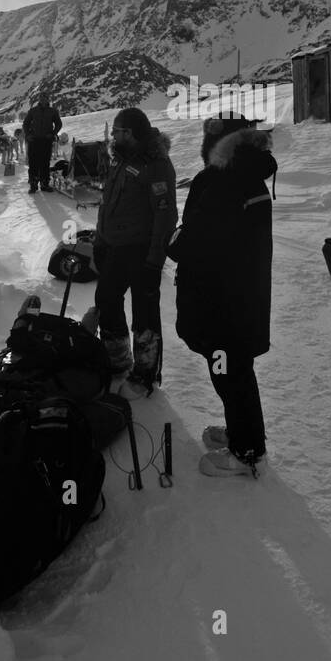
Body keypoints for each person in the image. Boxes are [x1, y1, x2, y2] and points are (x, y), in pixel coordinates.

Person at [168, 115, 276, 478]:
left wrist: (173, 244)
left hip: (224, 300)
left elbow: (201, 238)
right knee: (232, 370)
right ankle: (241, 431)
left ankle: (248, 452)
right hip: (237, 295)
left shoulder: (227, 181)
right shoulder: (242, 177)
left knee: (231, 371)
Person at [93, 108, 177, 398]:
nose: (113, 136)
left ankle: (145, 375)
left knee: (145, 312)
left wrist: (155, 261)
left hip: (141, 250)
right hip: (115, 247)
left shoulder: (155, 164)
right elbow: (108, 203)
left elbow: (165, 215)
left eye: (117, 131)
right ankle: (117, 360)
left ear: (131, 133)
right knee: (106, 298)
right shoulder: (122, 159)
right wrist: (101, 239)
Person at [22, 93, 62, 194]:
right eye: (41, 98)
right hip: (34, 141)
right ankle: (33, 185)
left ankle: (45, 184)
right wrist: (28, 135)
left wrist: (53, 134)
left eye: (45, 98)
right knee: (33, 163)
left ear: (48, 99)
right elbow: (25, 124)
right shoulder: (33, 111)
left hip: (46, 140)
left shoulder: (52, 111)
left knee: (45, 163)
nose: (43, 100)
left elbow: (59, 124)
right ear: (39, 100)